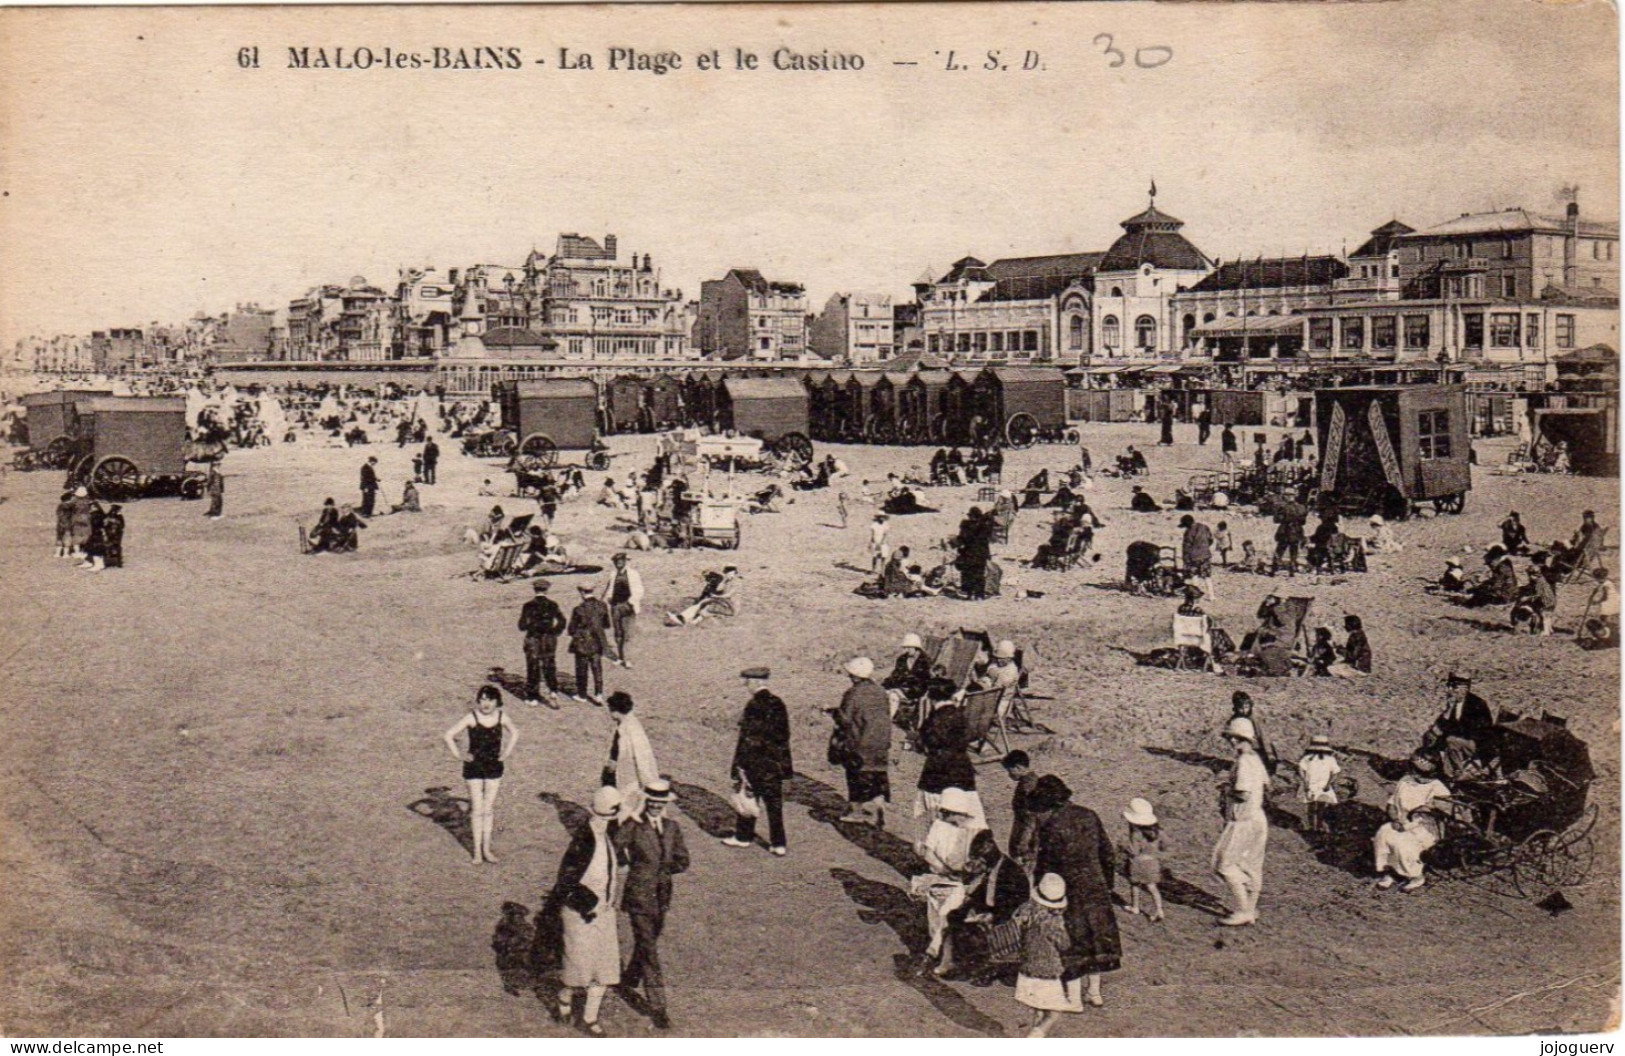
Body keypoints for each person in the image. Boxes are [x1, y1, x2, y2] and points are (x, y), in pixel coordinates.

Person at [1028, 775, 1118, 1007]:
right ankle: (1095, 992)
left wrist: (1041, 890)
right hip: (1096, 886)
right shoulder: (1089, 814)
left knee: (1074, 942)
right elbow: (1107, 853)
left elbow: (1046, 865)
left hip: (1069, 891)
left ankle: (1074, 997)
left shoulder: (1052, 826)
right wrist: (1108, 883)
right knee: (1096, 939)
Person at [614, 777, 689, 1031]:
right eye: (652, 803)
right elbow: (615, 848)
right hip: (638, 896)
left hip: (662, 896)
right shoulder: (634, 826)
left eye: (661, 803)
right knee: (650, 950)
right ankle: (658, 1007)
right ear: (646, 802)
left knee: (649, 943)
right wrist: (632, 820)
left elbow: (683, 860)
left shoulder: (672, 828)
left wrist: (663, 872)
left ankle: (630, 977)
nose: (656, 807)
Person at [553, 786, 627, 1037]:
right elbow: (565, 883)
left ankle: (589, 1018)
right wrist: (588, 906)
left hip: (604, 914)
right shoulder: (583, 840)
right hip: (580, 915)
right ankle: (564, 999)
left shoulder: (605, 836)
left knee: (603, 970)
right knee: (578, 973)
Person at [909, 787, 989, 974]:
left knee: (947, 914)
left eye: (949, 814)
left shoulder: (978, 830)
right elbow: (928, 853)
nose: (945, 817)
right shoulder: (939, 826)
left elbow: (982, 863)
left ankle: (930, 955)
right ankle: (946, 958)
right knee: (936, 921)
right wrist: (944, 870)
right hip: (940, 877)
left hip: (964, 883)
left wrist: (965, 875)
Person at [939, 829, 1030, 983]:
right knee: (954, 917)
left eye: (978, 859)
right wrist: (965, 908)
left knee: (970, 932)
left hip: (1008, 921)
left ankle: (976, 967)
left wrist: (991, 917)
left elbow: (1013, 905)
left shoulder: (1011, 873)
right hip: (993, 913)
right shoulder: (994, 869)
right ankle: (950, 962)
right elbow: (983, 891)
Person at [441, 686, 519, 865]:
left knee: (488, 809)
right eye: (483, 699)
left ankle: (487, 849)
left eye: (490, 700)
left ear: (497, 702)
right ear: (478, 701)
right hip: (474, 767)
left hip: (494, 766)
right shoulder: (472, 717)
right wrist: (459, 755)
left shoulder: (501, 717)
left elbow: (515, 733)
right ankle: (476, 852)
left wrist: (506, 753)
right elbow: (448, 735)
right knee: (477, 809)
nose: (486, 704)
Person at [722, 667, 792, 856]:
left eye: (747, 682)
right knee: (774, 804)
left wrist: (741, 764)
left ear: (755, 682)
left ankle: (743, 837)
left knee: (748, 798)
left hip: (756, 761)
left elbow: (749, 739)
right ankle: (779, 843)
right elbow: (784, 735)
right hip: (774, 763)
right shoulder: (778, 703)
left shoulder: (753, 705)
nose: (746, 686)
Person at [1211, 716, 1269, 926]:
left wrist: (1226, 789)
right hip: (1257, 817)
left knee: (1223, 863)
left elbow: (1242, 793)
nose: (1231, 743)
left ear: (1237, 739)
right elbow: (1265, 785)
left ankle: (1244, 909)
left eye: (1232, 739)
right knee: (1251, 865)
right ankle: (1251, 909)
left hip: (1243, 820)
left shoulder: (1244, 761)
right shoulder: (1255, 760)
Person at [1014, 873, 1081, 1036]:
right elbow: (1065, 944)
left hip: (1026, 966)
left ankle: (1036, 1033)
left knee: (1038, 1008)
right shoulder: (1052, 923)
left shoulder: (1025, 910)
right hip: (1047, 972)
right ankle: (1034, 1037)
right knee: (1054, 1011)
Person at [1373, 760, 1452, 892]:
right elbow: (1392, 803)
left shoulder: (1439, 788)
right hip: (1402, 820)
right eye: (1416, 771)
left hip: (1425, 828)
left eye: (1424, 774)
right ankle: (1390, 872)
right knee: (1384, 833)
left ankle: (1415, 877)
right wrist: (1395, 819)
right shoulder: (1406, 780)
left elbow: (1442, 812)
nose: (1419, 776)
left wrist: (1413, 820)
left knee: (1403, 842)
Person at [832, 656, 891, 827]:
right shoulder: (881, 691)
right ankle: (879, 806)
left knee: (855, 775)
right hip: (881, 741)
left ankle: (856, 811)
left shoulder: (853, 694)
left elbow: (845, 719)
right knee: (878, 775)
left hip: (860, 741)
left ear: (855, 676)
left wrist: (834, 713)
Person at [916, 685, 980, 838]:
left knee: (932, 811)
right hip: (962, 767)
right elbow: (970, 734)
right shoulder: (960, 714)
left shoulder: (935, 717)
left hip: (938, 768)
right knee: (962, 810)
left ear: (932, 699)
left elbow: (927, 740)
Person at [604, 691, 660, 820]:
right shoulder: (626, 725)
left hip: (631, 777)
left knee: (629, 807)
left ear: (614, 710)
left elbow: (642, 760)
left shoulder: (632, 729)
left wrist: (647, 784)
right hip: (623, 773)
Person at [519, 580, 566, 706]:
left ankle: (533, 696)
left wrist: (530, 627)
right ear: (546, 590)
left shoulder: (528, 605)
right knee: (549, 664)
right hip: (548, 638)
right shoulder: (553, 604)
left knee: (533, 666)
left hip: (533, 638)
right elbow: (562, 621)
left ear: (534, 590)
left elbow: (521, 625)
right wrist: (554, 631)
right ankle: (553, 691)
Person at [1120, 798, 1165, 922]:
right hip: (1153, 862)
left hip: (1138, 863)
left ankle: (1135, 907)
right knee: (1152, 887)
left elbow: (1134, 851)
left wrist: (1124, 847)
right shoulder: (1158, 832)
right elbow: (1164, 846)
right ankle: (1159, 909)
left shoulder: (1136, 834)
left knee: (1135, 884)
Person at [568, 584, 611, 703]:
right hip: (597, 642)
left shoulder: (578, 609)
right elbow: (606, 624)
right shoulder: (602, 606)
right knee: (597, 668)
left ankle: (582, 695)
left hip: (582, 643)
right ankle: (599, 694)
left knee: (581, 670)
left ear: (581, 592)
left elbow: (571, 629)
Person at [601, 553, 643, 669]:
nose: (618, 563)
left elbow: (639, 590)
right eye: (616, 562)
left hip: (628, 607)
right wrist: (607, 599)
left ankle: (627, 659)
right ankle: (620, 657)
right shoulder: (613, 574)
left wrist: (630, 602)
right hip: (615, 606)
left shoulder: (633, 574)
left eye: (620, 561)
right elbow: (609, 589)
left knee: (627, 634)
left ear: (625, 561)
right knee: (618, 633)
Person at [1297, 735, 1342, 834]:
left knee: (1321, 806)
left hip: (1323, 786)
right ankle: (1312, 826)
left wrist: (1329, 784)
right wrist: (1305, 782)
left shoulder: (1330, 759)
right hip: (1311, 785)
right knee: (1311, 806)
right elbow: (1301, 770)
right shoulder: (1307, 759)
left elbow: (1335, 772)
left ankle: (1319, 825)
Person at [1002, 751, 1040, 869]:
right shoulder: (1032, 781)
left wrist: (1021, 848)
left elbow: (1030, 820)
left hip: (1027, 845)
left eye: (1010, 770)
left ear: (1018, 767)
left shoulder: (1026, 787)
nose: (1009, 774)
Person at [667, 566, 740, 625]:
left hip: (731, 607)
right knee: (704, 604)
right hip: (723, 604)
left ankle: (683, 618)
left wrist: (716, 596)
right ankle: (685, 619)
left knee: (704, 603)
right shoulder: (725, 582)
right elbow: (717, 591)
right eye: (729, 574)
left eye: (733, 574)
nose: (731, 576)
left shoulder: (736, 583)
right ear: (725, 573)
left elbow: (728, 595)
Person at [1510, 563, 1558, 636]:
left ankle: (1546, 632)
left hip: (1546, 601)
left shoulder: (1539, 583)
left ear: (1535, 575)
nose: (1530, 578)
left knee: (1545, 616)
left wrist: (1528, 598)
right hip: (1551, 601)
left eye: (1530, 576)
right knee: (1548, 616)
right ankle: (1550, 629)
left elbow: (1539, 594)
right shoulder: (1542, 580)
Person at [956, 507, 992, 598]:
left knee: (967, 573)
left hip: (968, 553)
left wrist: (959, 548)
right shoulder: (984, 526)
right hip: (980, 553)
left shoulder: (966, 526)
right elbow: (985, 540)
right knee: (979, 574)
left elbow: (961, 539)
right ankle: (979, 594)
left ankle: (968, 592)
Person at [1181, 514, 1215, 601]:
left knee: (1194, 576)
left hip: (1194, 557)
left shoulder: (1188, 532)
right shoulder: (1204, 527)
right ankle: (1211, 596)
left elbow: (1186, 548)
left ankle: (1196, 596)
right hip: (1205, 555)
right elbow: (1210, 539)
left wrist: (1185, 560)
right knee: (1207, 576)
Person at [79, 500, 107, 573]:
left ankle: (98, 565)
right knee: (89, 548)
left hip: (96, 534)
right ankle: (90, 562)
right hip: (94, 534)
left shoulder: (96, 515)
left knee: (96, 549)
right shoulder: (97, 514)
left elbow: (94, 525)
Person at [101, 504, 125, 570]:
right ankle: (117, 561)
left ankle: (113, 560)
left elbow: (122, 525)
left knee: (114, 545)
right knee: (116, 546)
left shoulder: (115, 516)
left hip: (115, 533)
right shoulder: (118, 516)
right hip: (114, 533)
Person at [54, 490, 74, 558]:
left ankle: (57, 553)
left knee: (59, 538)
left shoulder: (60, 506)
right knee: (67, 539)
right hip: (68, 524)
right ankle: (66, 554)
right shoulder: (69, 506)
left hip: (60, 524)